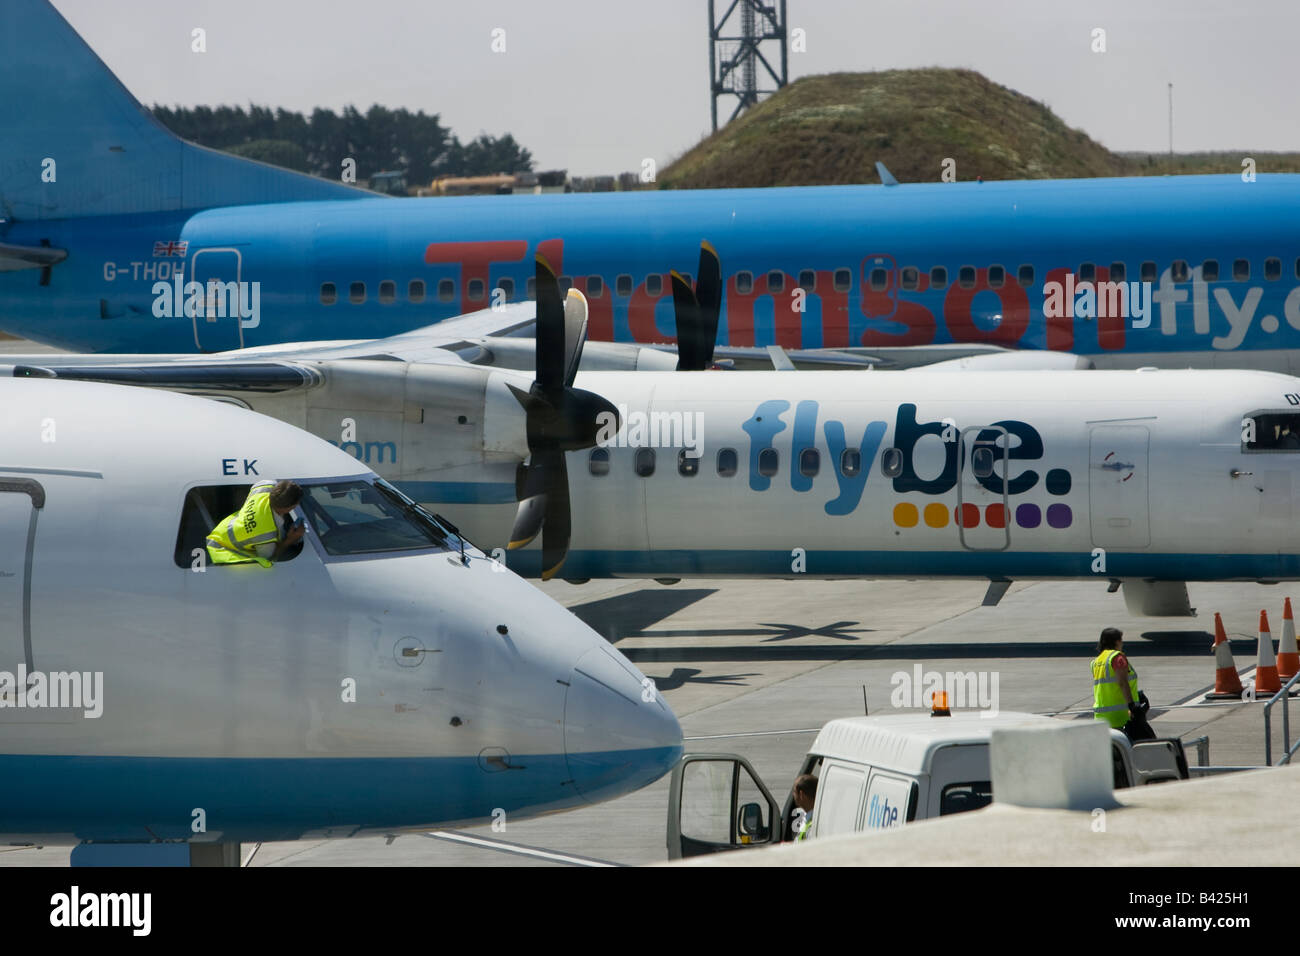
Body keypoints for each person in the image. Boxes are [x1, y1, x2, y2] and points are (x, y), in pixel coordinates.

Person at [206, 479, 305, 568]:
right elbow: (270, 558)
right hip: (222, 549)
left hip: (222, 530)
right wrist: (290, 540)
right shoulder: (265, 534)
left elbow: (260, 484)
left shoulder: (265, 487)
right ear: (288, 509)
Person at [1091, 627, 1155, 741]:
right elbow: (1122, 682)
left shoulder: (1096, 661)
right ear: (1116, 641)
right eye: (1121, 640)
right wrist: (1132, 705)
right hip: (1121, 717)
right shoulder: (1117, 657)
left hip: (1101, 717)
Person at [792, 773, 817, 842]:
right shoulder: (809, 817)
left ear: (801, 795)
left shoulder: (812, 828)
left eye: (794, 791)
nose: (793, 795)